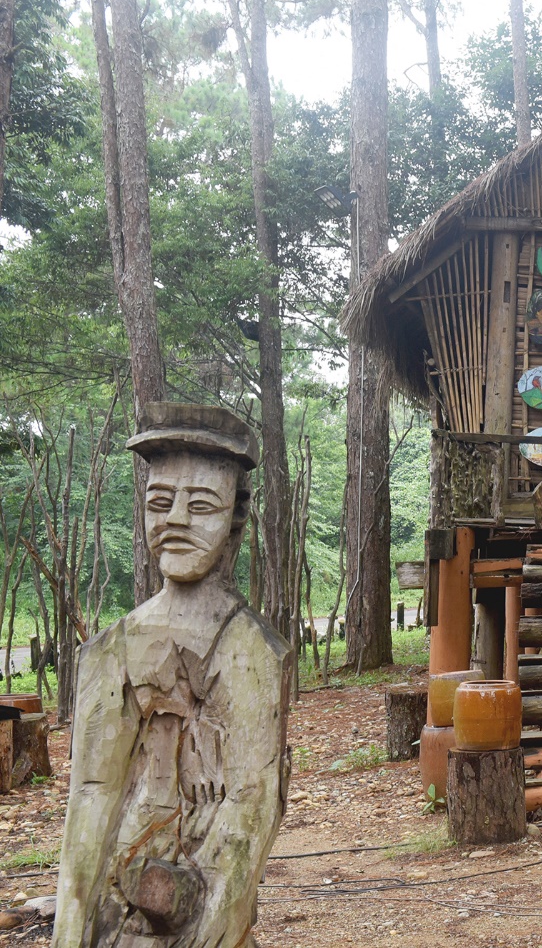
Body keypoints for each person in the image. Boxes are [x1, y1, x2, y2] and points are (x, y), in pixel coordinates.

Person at [54, 403, 291, 946]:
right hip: (120, 905)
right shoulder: (111, 650)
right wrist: (70, 929)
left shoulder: (251, 651)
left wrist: (208, 929)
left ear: (235, 516)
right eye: (160, 502)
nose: (176, 521)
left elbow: (250, 808)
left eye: (200, 504)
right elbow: (92, 794)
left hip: (201, 902)